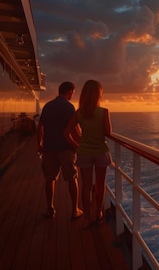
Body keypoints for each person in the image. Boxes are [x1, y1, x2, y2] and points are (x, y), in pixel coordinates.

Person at [64, 80, 113, 227]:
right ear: (99, 94)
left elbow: (66, 133)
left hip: (84, 152)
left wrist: (77, 147)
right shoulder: (103, 112)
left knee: (86, 187)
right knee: (99, 185)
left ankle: (87, 218)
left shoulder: (79, 113)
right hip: (100, 152)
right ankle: (98, 213)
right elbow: (108, 132)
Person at [37, 81, 83, 219]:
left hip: (49, 148)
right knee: (72, 178)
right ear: (69, 91)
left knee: (50, 178)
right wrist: (79, 144)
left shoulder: (48, 106)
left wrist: (39, 144)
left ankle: (50, 208)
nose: (72, 96)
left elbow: (40, 127)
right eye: (73, 93)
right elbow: (75, 129)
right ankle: (74, 210)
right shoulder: (69, 107)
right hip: (66, 149)